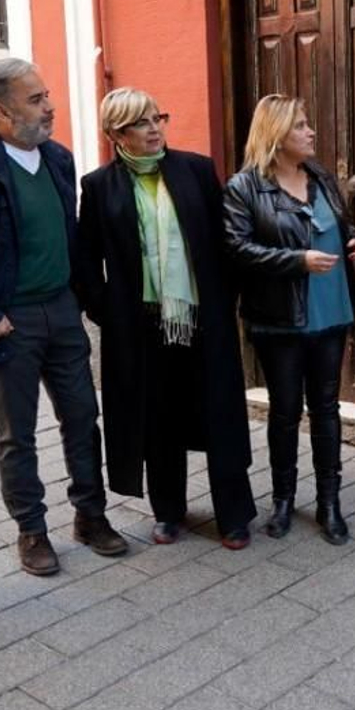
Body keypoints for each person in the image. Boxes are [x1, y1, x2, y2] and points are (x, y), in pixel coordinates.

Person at [0, 58, 127, 577]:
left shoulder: (58, 160)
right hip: (7, 320)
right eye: (36, 99)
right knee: (17, 434)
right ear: (1, 111)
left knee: (83, 418)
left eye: (46, 95)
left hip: (61, 310)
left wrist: (93, 303)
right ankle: (32, 530)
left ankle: (91, 515)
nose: (50, 105)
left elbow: (75, 239)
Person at [76, 88, 256, 548]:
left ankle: (234, 515)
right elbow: (86, 260)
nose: (155, 128)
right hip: (141, 325)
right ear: (117, 133)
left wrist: (223, 302)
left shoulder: (194, 169)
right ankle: (168, 510)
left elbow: (224, 242)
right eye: (142, 122)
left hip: (202, 317)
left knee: (219, 413)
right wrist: (109, 314)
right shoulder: (99, 186)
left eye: (159, 117)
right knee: (158, 416)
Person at [224, 95, 355, 546]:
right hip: (280, 318)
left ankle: (330, 502)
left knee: (326, 408)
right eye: (301, 126)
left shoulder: (320, 175)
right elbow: (237, 249)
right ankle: (283, 499)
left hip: (332, 310)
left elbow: (341, 225)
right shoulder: (245, 188)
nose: (311, 132)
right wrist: (297, 260)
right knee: (285, 412)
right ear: (277, 135)